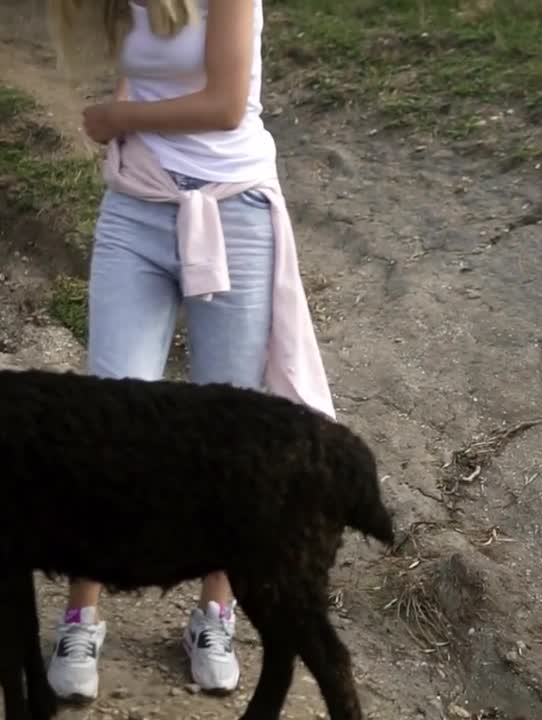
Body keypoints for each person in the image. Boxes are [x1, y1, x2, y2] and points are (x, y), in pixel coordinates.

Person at [44, 0, 334, 702]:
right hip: (136, 208)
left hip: (232, 209)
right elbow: (139, 80)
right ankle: (81, 615)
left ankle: (215, 611)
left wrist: (117, 120)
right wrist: (122, 109)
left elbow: (227, 103)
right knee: (107, 417)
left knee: (230, 428)